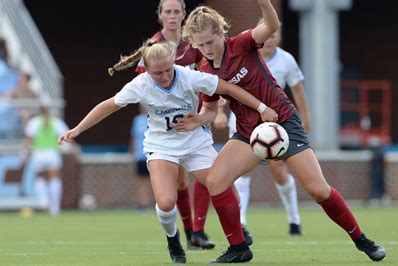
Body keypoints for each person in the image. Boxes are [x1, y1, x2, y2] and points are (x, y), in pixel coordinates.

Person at [182, 0, 386, 263]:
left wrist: (263, 2)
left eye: (210, 42)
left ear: (221, 33)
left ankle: (362, 241)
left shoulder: (242, 43)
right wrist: (197, 120)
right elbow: (210, 111)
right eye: (200, 44)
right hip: (248, 134)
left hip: (283, 124)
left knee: (318, 190)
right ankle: (239, 248)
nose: (206, 49)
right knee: (215, 181)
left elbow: (272, 25)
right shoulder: (206, 71)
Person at [58, 40, 274, 263]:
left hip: (195, 142)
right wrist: (77, 129)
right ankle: (173, 239)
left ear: (174, 62)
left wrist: (261, 107)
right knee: (166, 202)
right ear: (147, 70)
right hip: (161, 145)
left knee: (226, 189)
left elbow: (227, 88)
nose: (165, 76)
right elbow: (109, 105)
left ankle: (237, 237)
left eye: (168, 70)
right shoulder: (140, 84)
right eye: (157, 73)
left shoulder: (189, 76)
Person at [108, 0, 215, 251]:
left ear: (184, 15)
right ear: (160, 15)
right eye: (168, 11)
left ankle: (197, 231)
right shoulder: (154, 47)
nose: (173, 16)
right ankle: (188, 233)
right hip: (167, 125)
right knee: (178, 183)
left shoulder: (193, 44)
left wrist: (209, 112)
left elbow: (208, 77)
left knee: (208, 173)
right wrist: (167, 113)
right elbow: (144, 91)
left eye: (177, 11)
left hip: (196, 119)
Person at [214, 21, 308, 237]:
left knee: (279, 171)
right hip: (243, 125)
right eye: (267, 34)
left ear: (279, 37)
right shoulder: (244, 54)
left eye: (274, 34)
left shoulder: (286, 60)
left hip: (275, 126)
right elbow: (225, 90)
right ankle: (242, 222)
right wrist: (219, 112)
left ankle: (294, 219)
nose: (270, 38)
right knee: (243, 172)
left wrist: (304, 120)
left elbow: (299, 92)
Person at [23, 102, 69, 216]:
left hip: (38, 154)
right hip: (52, 154)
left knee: (39, 177)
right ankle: (55, 209)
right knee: (55, 178)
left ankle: (43, 202)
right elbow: (67, 136)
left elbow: (29, 141)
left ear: (39, 110)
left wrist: (23, 155)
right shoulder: (56, 122)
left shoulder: (33, 122)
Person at [130, 104, 153, 210]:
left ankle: (160, 205)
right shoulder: (137, 120)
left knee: (157, 181)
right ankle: (143, 204)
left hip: (154, 155)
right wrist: (132, 152)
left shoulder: (155, 118)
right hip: (141, 156)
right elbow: (133, 137)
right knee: (142, 182)